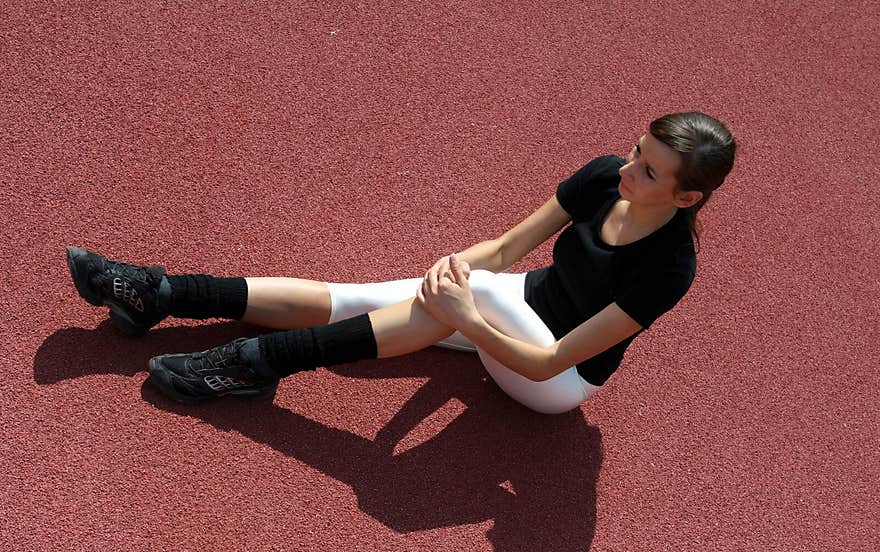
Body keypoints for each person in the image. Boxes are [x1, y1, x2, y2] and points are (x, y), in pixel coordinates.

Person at [66, 111, 736, 414]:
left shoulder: (669, 268)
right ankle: (163, 294)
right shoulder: (602, 177)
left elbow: (550, 362)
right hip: (504, 308)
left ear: (687, 197)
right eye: (634, 149)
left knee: (467, 296)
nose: (626, 168)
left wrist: (464, 314)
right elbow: (502, 250)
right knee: (359, 295)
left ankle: (260, 362)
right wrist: (447, 270)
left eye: (647, 171)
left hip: (553, 378)